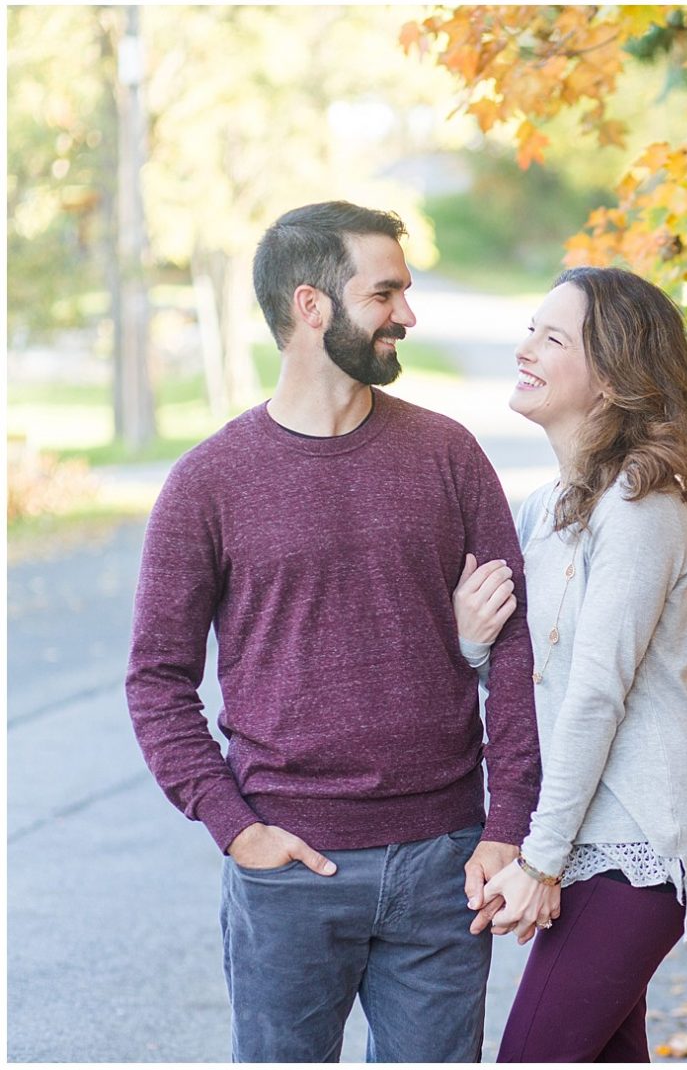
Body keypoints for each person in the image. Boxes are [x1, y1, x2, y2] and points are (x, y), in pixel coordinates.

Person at [125, 200, 541, 1062]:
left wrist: (508, 825)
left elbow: (513, 650)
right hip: (289, 871)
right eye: (385, 293)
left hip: (445, 866)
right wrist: (236, 828)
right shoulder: (208, 483)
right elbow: (158, 680)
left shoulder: (448, 456)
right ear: (311, 306)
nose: (408, 315)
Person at [454, 266, 687, 1062]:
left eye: (553, 337)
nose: (525, 349)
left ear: (611, 378)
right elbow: (530, 674)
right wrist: (475, 643)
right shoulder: (546, 509)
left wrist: (538, 859)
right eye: (528, 329)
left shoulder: (641, 506)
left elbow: (593, 695)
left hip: (636, 844)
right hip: (584, 839)